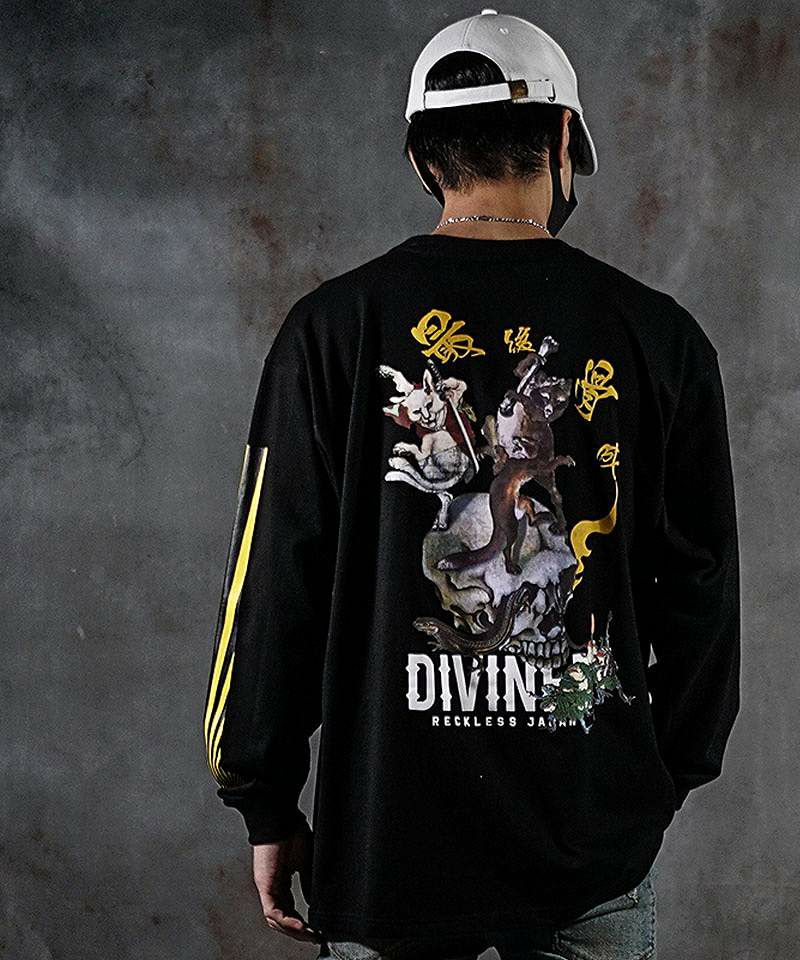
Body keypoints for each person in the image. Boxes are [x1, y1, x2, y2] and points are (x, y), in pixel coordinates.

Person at [201, 10, 741, 960]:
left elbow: (271, 584)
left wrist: (264, 797)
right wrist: (658, 777)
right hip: (589, 842)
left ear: (422, 157)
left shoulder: (330, 331)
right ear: (564, 137)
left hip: (389, 842)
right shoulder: (659, 337)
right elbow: (703, 588)